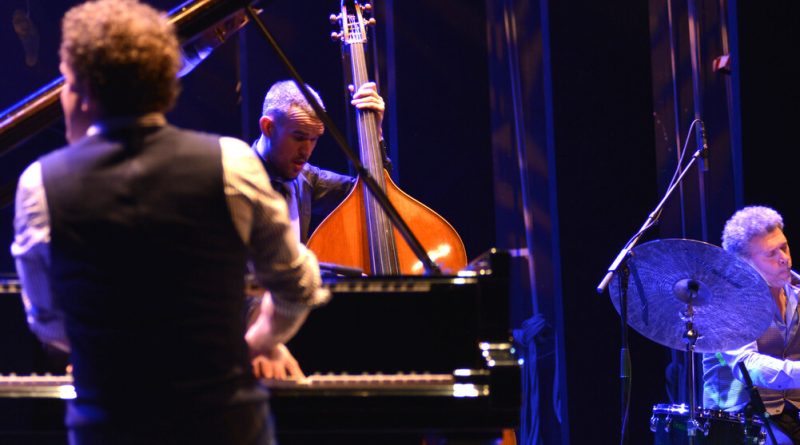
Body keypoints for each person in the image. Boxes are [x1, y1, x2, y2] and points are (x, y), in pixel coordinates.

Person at [10, 1, 328, 444]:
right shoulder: (232, 163)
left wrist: (106, 351)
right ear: (167, 85)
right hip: (226, 424)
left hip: (109, 427)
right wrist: (249, 346)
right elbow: (299, 286)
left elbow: (47, 321)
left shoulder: (39, 185)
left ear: (79, 88)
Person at [702, 205, 800, 444]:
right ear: (744, 264)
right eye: (771, 254)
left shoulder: (797, 290)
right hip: (737, 420)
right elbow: (749, 366)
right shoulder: (726, 305)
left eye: (784, 247)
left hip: (790, 412)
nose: (784, 258)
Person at [252, 79, 387, 244]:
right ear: (268, 127)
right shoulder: (233, 178)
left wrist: (376, 132)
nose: (306, 151)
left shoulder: (306, 179)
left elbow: (373, 192)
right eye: (299, 138)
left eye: (314, 139)